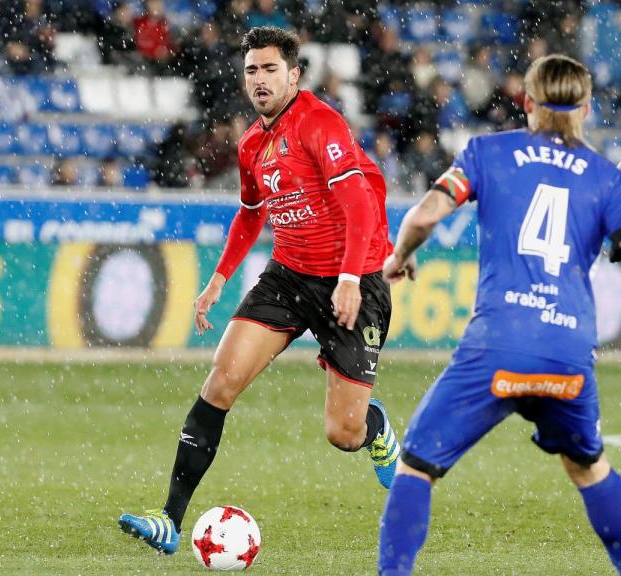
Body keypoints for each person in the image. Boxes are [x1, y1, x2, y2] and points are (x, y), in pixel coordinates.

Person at [118, 26, 400, 554]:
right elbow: (250, 216)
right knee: (220, 383)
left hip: (353, 277)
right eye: (252, 70)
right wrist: (217, 280)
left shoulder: (320, 123)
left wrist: (347, 278)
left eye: (271, 69)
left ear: (294, 75)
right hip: (289, 275)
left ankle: (375, 425)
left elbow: (360, 204)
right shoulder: (252, 143)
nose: (260, 79)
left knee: (344, 433)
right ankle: (169, 520)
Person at [377, 54, 621, 574]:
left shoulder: (489, 152)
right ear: (587, 108)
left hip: (498, 344)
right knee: (589, 467)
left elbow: (425, 214)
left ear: (527, 102)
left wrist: (400, 256)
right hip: (567, 352)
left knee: (417, 466)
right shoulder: (607, 178)